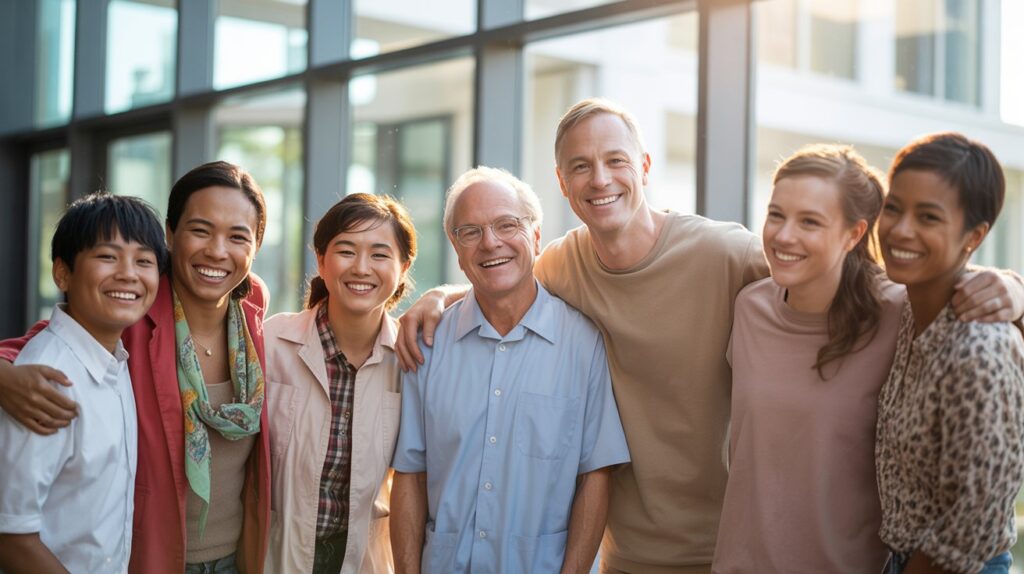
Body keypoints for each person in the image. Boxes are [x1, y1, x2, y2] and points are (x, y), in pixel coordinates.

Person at [396, 99, 1024, 573]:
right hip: (635, 553)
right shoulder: (565, 264)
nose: (600, 179)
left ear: (643, 166)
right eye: (580, 167)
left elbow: (843, 274)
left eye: (616, 161)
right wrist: (440, 296)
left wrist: (1008, 287)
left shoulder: (729, 257)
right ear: (562, 184)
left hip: (731, 543)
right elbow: (502, 270)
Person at [0, 161, 272, 573]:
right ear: (170, 234)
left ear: (256, 246)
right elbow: (50, 340)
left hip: (237, 556)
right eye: (200, 230)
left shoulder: (250, 307)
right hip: (153, 557)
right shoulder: (131, 305)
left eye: (238, 237)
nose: (218, 251)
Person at [389, 167, 630, 573]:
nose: (490, 242)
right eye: (471, 231)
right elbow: (410, 475)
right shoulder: (426, 344)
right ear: (456, 247)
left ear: (536, 236)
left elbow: (595, 476)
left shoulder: (584, 342)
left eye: (507, 225)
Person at [712, 145, 898, 572]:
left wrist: (1013, 293)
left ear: (854, 234)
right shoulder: (750, 307)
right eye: (776, 214)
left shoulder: (897, 313)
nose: (783, 235)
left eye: (809, 222)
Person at [875, 133, 1024, 574]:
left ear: (974, 236)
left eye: (928, 217)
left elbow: (975, 522)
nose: (901, 230)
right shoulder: (906, 302)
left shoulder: (980, 349)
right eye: (893, 207)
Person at [0, 193, 166, 573]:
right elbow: (11, 534)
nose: (128, 273)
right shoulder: (48, 379)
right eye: (108, 257)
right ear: (62, 273)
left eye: (144, 261)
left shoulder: (116, 359)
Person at [264, 193, 416, 573]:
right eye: (346, 251)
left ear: (403, 266)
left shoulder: (413, 360)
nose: (361, 268)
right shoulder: (270, 343)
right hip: (274, 558)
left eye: (380, 254)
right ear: (321, 260)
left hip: (365, 562)